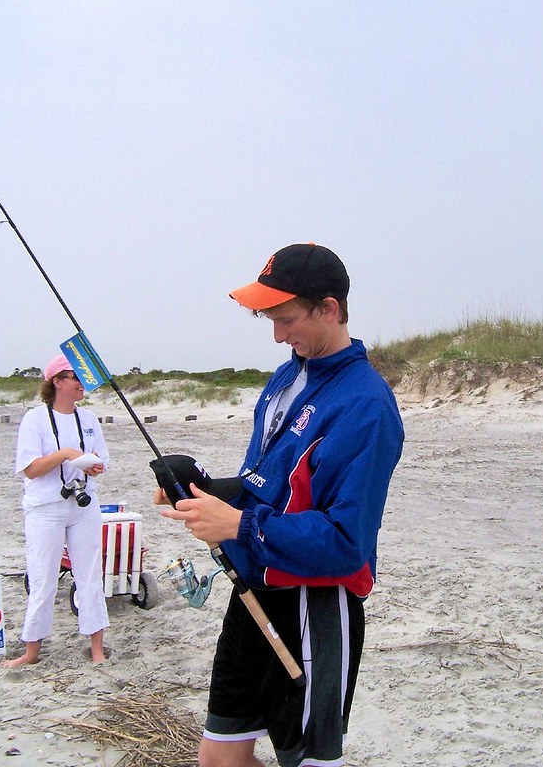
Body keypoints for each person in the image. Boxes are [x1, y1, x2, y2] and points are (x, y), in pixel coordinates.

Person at [156, 243, 404, 767]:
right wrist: (201, 491)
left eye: (287, 319)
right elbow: (263, 483)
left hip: (314, 608)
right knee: (218, 759)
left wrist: (240, 526)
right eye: (269, 319)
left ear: (329, 308)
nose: (277, 334)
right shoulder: (286, 378)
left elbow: (345, 544)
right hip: (252, 595)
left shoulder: (366, 404)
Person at [4, 355, 110, 667]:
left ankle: (98, 648)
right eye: (73, 376)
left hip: (83, 505)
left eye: (82, 377)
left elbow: (101, 459)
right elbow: (30, 469)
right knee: (43, 577)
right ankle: (31, 651)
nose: (81, 383)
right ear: (57, 382)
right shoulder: (35, 419)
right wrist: (64, 454)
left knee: (90, 575)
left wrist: (92, 466)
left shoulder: (88, 418)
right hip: (45, 508)